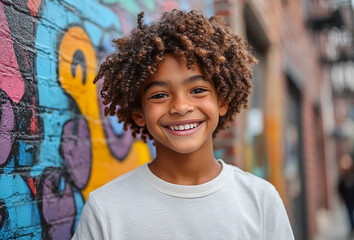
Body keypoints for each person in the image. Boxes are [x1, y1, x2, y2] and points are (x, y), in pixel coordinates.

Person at [72, 9, 294, 240]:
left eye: (198, 90)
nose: (180, 106)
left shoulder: (261, 200)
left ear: (223, 102)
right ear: (139, 114)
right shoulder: (106, 209)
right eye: (159, 95)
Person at [338, 154, 354, 236]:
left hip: (352, 197)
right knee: (350, 213)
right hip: (347, 198)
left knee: (352, 212)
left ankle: (353, 226)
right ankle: (353, 227)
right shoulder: (343, 176)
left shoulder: (352, 174)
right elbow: (340, 187)